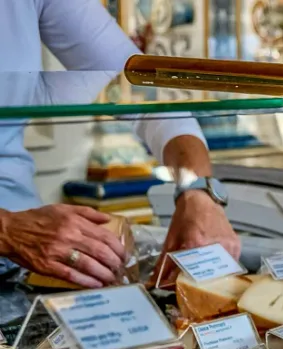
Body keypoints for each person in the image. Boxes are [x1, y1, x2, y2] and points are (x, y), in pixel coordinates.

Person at [0, 0, 239, 288]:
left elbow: (143, 93)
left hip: (23, 268)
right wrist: (8, 229)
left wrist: (198, 191)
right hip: (22, 242)